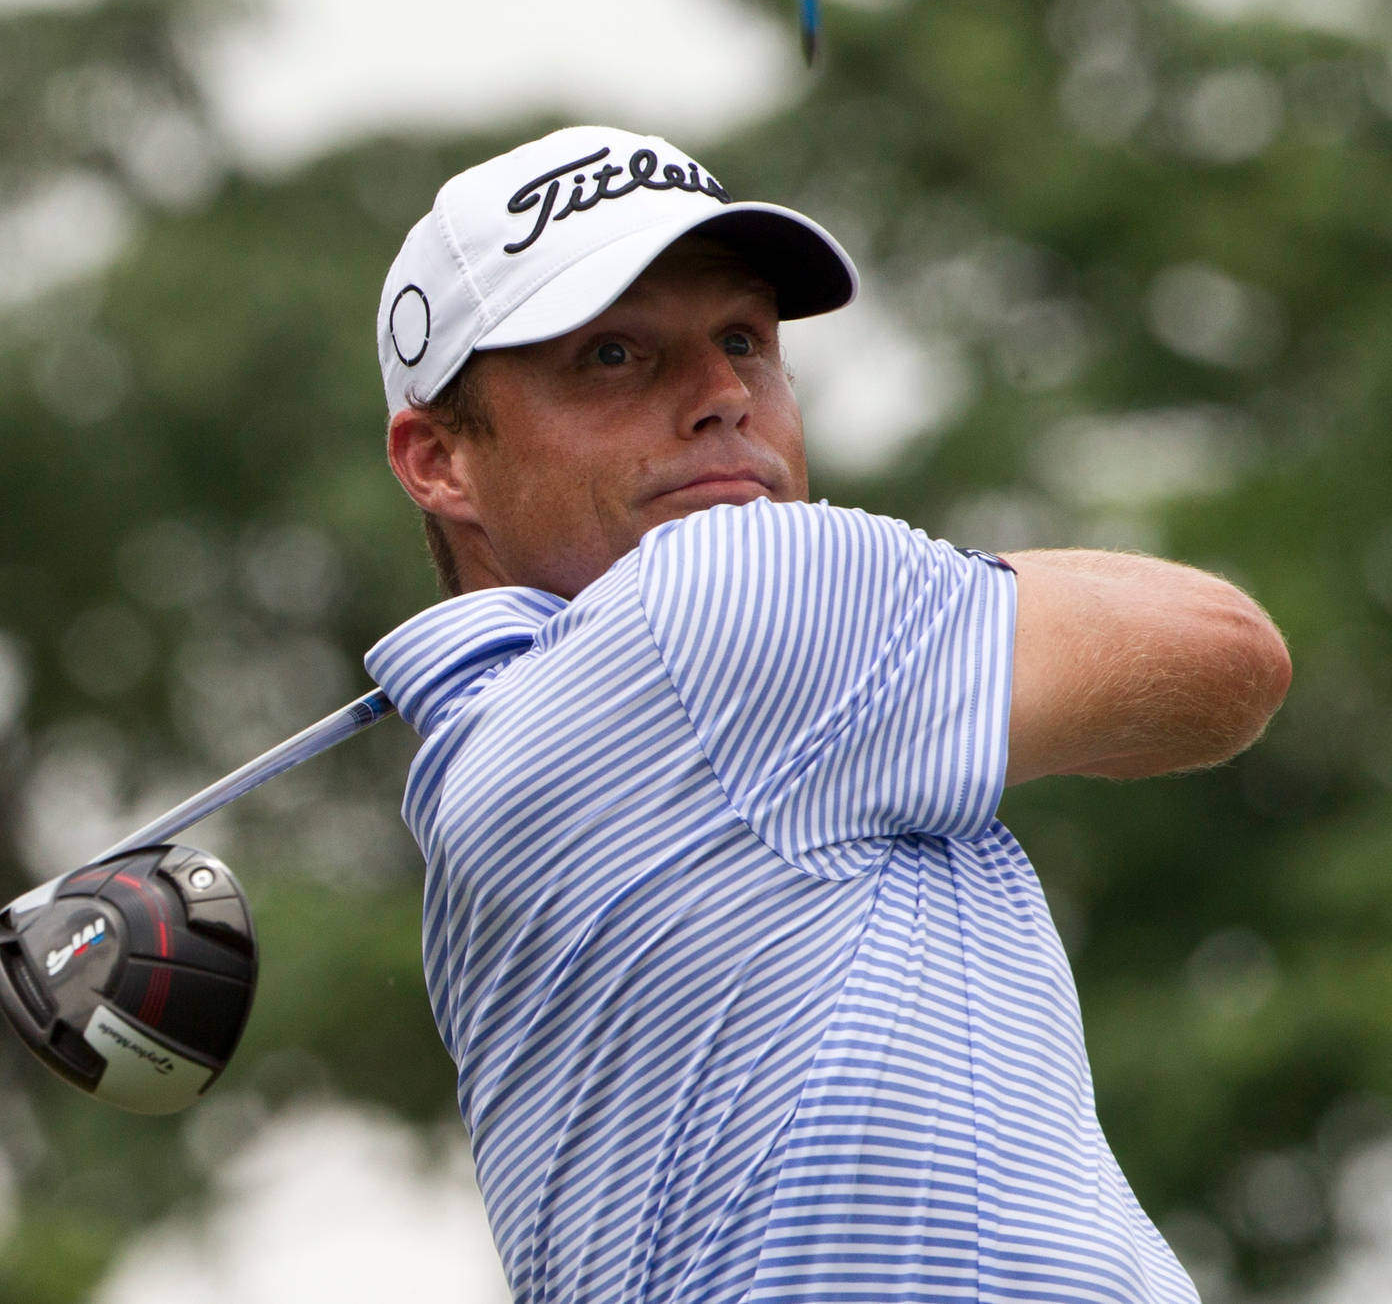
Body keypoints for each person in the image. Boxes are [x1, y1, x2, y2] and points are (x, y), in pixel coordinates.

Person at [362, 126, 1291, 1304]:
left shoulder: (469, 779)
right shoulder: (728, 594)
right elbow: (1228, 654)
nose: (718, 398)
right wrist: (909, 585)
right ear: (440, 458)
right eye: (611, 355)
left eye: (744, 340)